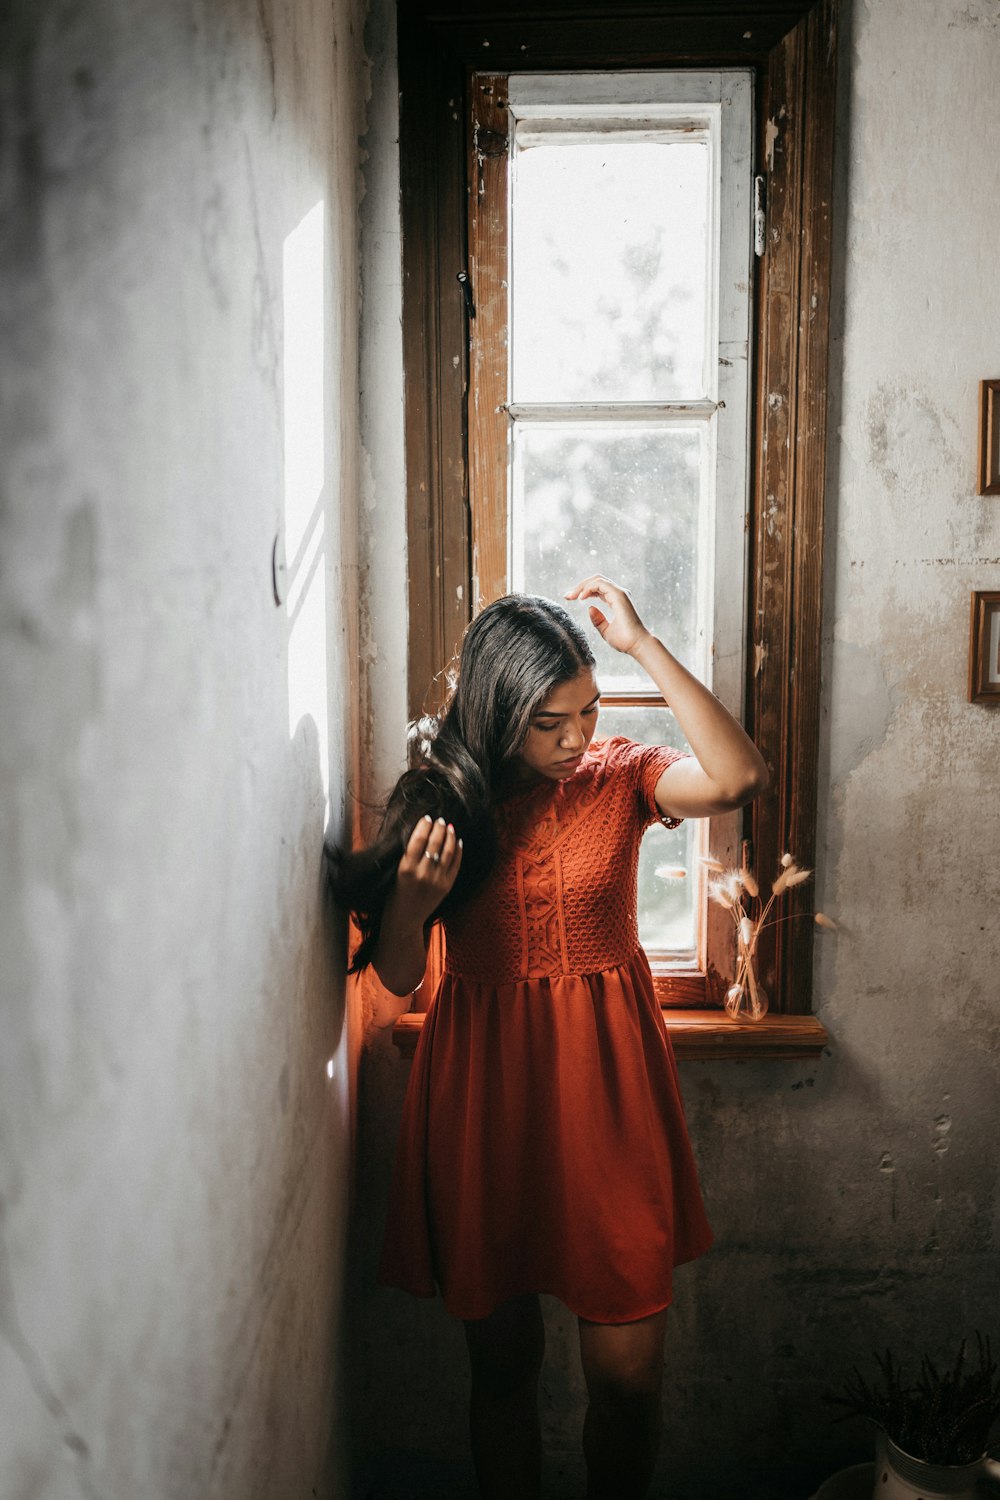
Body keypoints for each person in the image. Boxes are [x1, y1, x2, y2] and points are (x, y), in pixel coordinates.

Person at [331, 575, 768, 1500]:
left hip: (610, 1101)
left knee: (627, 1383)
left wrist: (644, 644)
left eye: (588, 709)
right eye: (550, 721)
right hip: (486, 1102)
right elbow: (400, 980)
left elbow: (737, 777)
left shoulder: (619, 778)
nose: (576, 737)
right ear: (498, 712)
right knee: (503, 1374)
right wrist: (408, 906)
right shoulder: (443, 799)